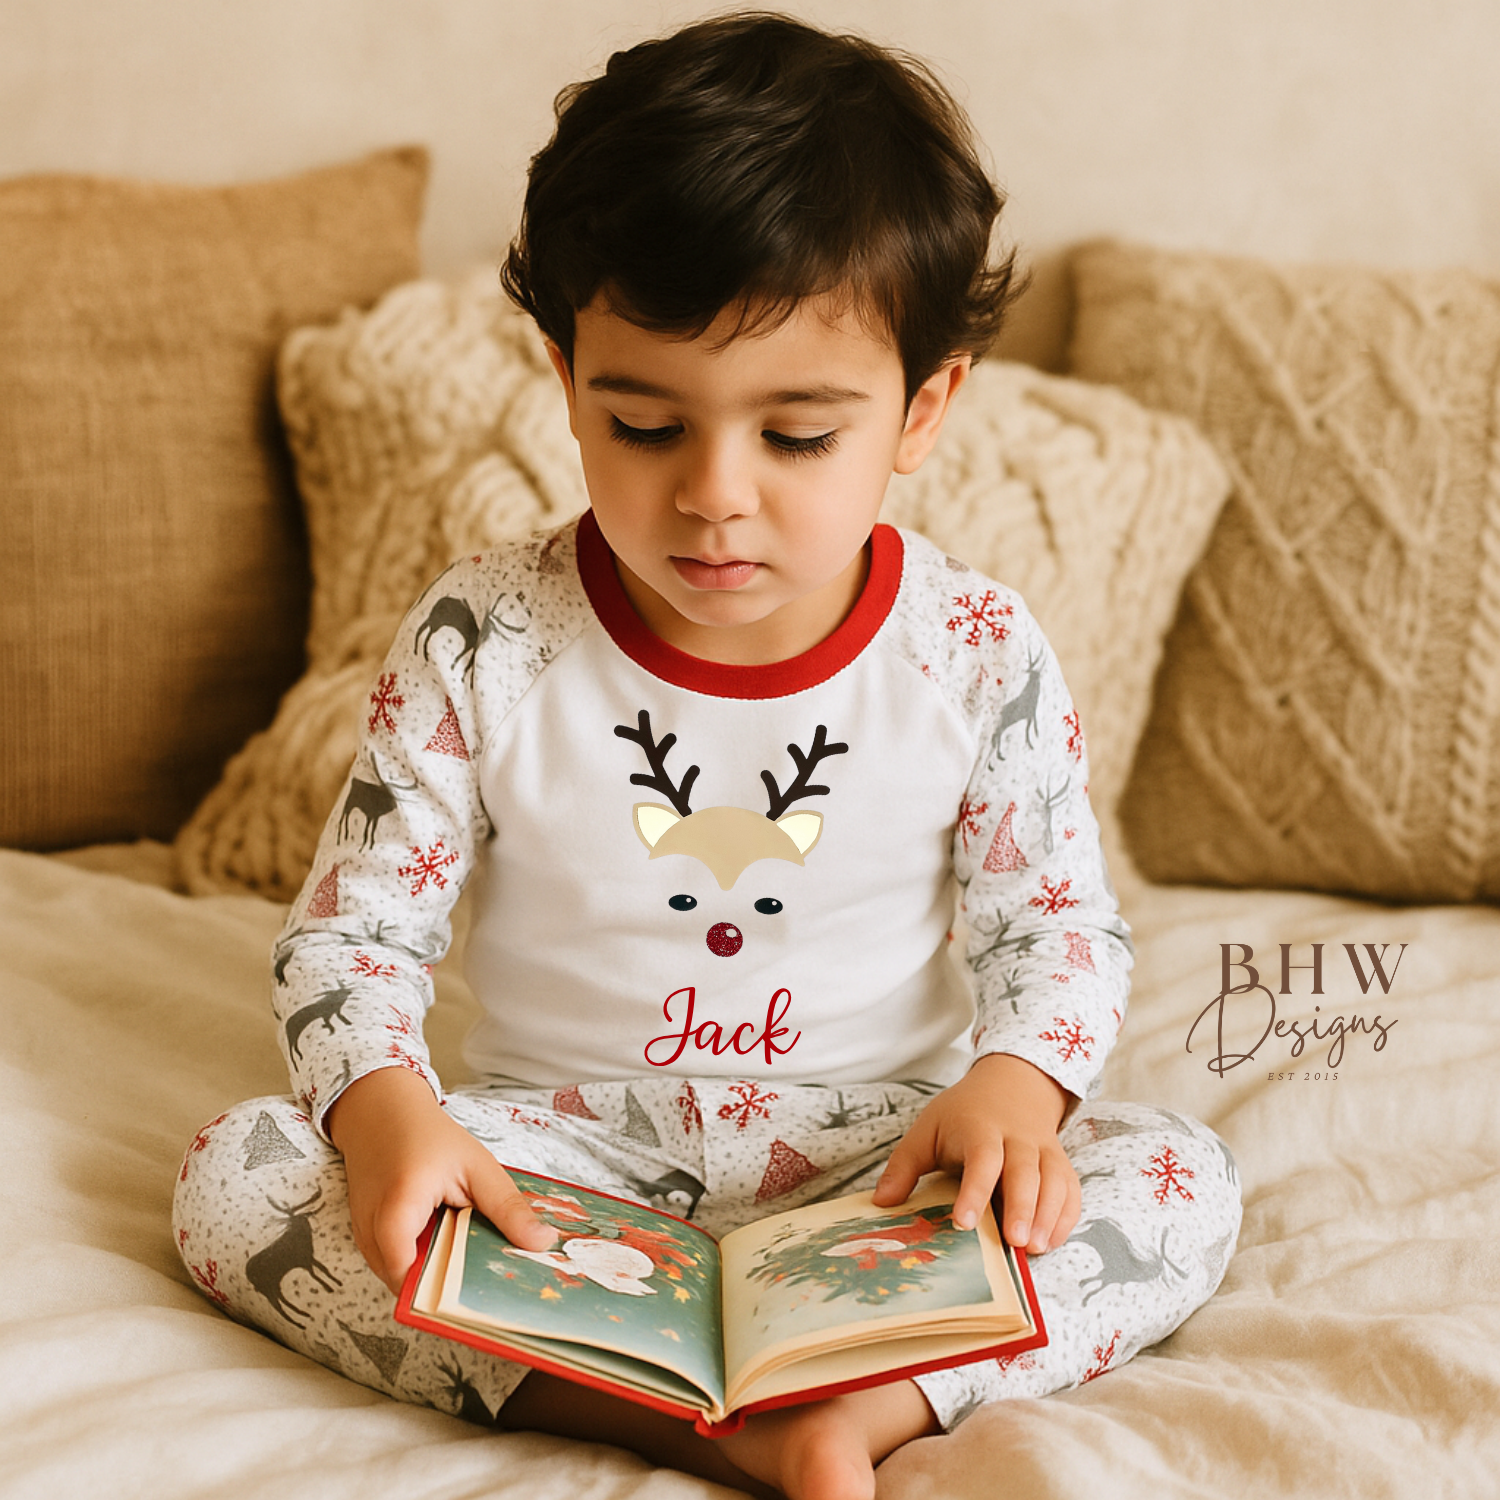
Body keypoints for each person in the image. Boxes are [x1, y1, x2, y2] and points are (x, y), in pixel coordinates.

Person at [174, 14, 1241, 1500]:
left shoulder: (977, 653)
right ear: (566, 380)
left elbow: (1055, 925)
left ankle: (861, 1408)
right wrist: (389, 1119)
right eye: (644, 423)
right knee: (242, 1177)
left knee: (1178, 1180)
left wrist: (1014, 1087)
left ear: (924, 410)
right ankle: (704, 1423)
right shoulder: (486, 637)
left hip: (884, 1164)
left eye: (797, 437)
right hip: (559, 1169)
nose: (712, 498)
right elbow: (353, 939)